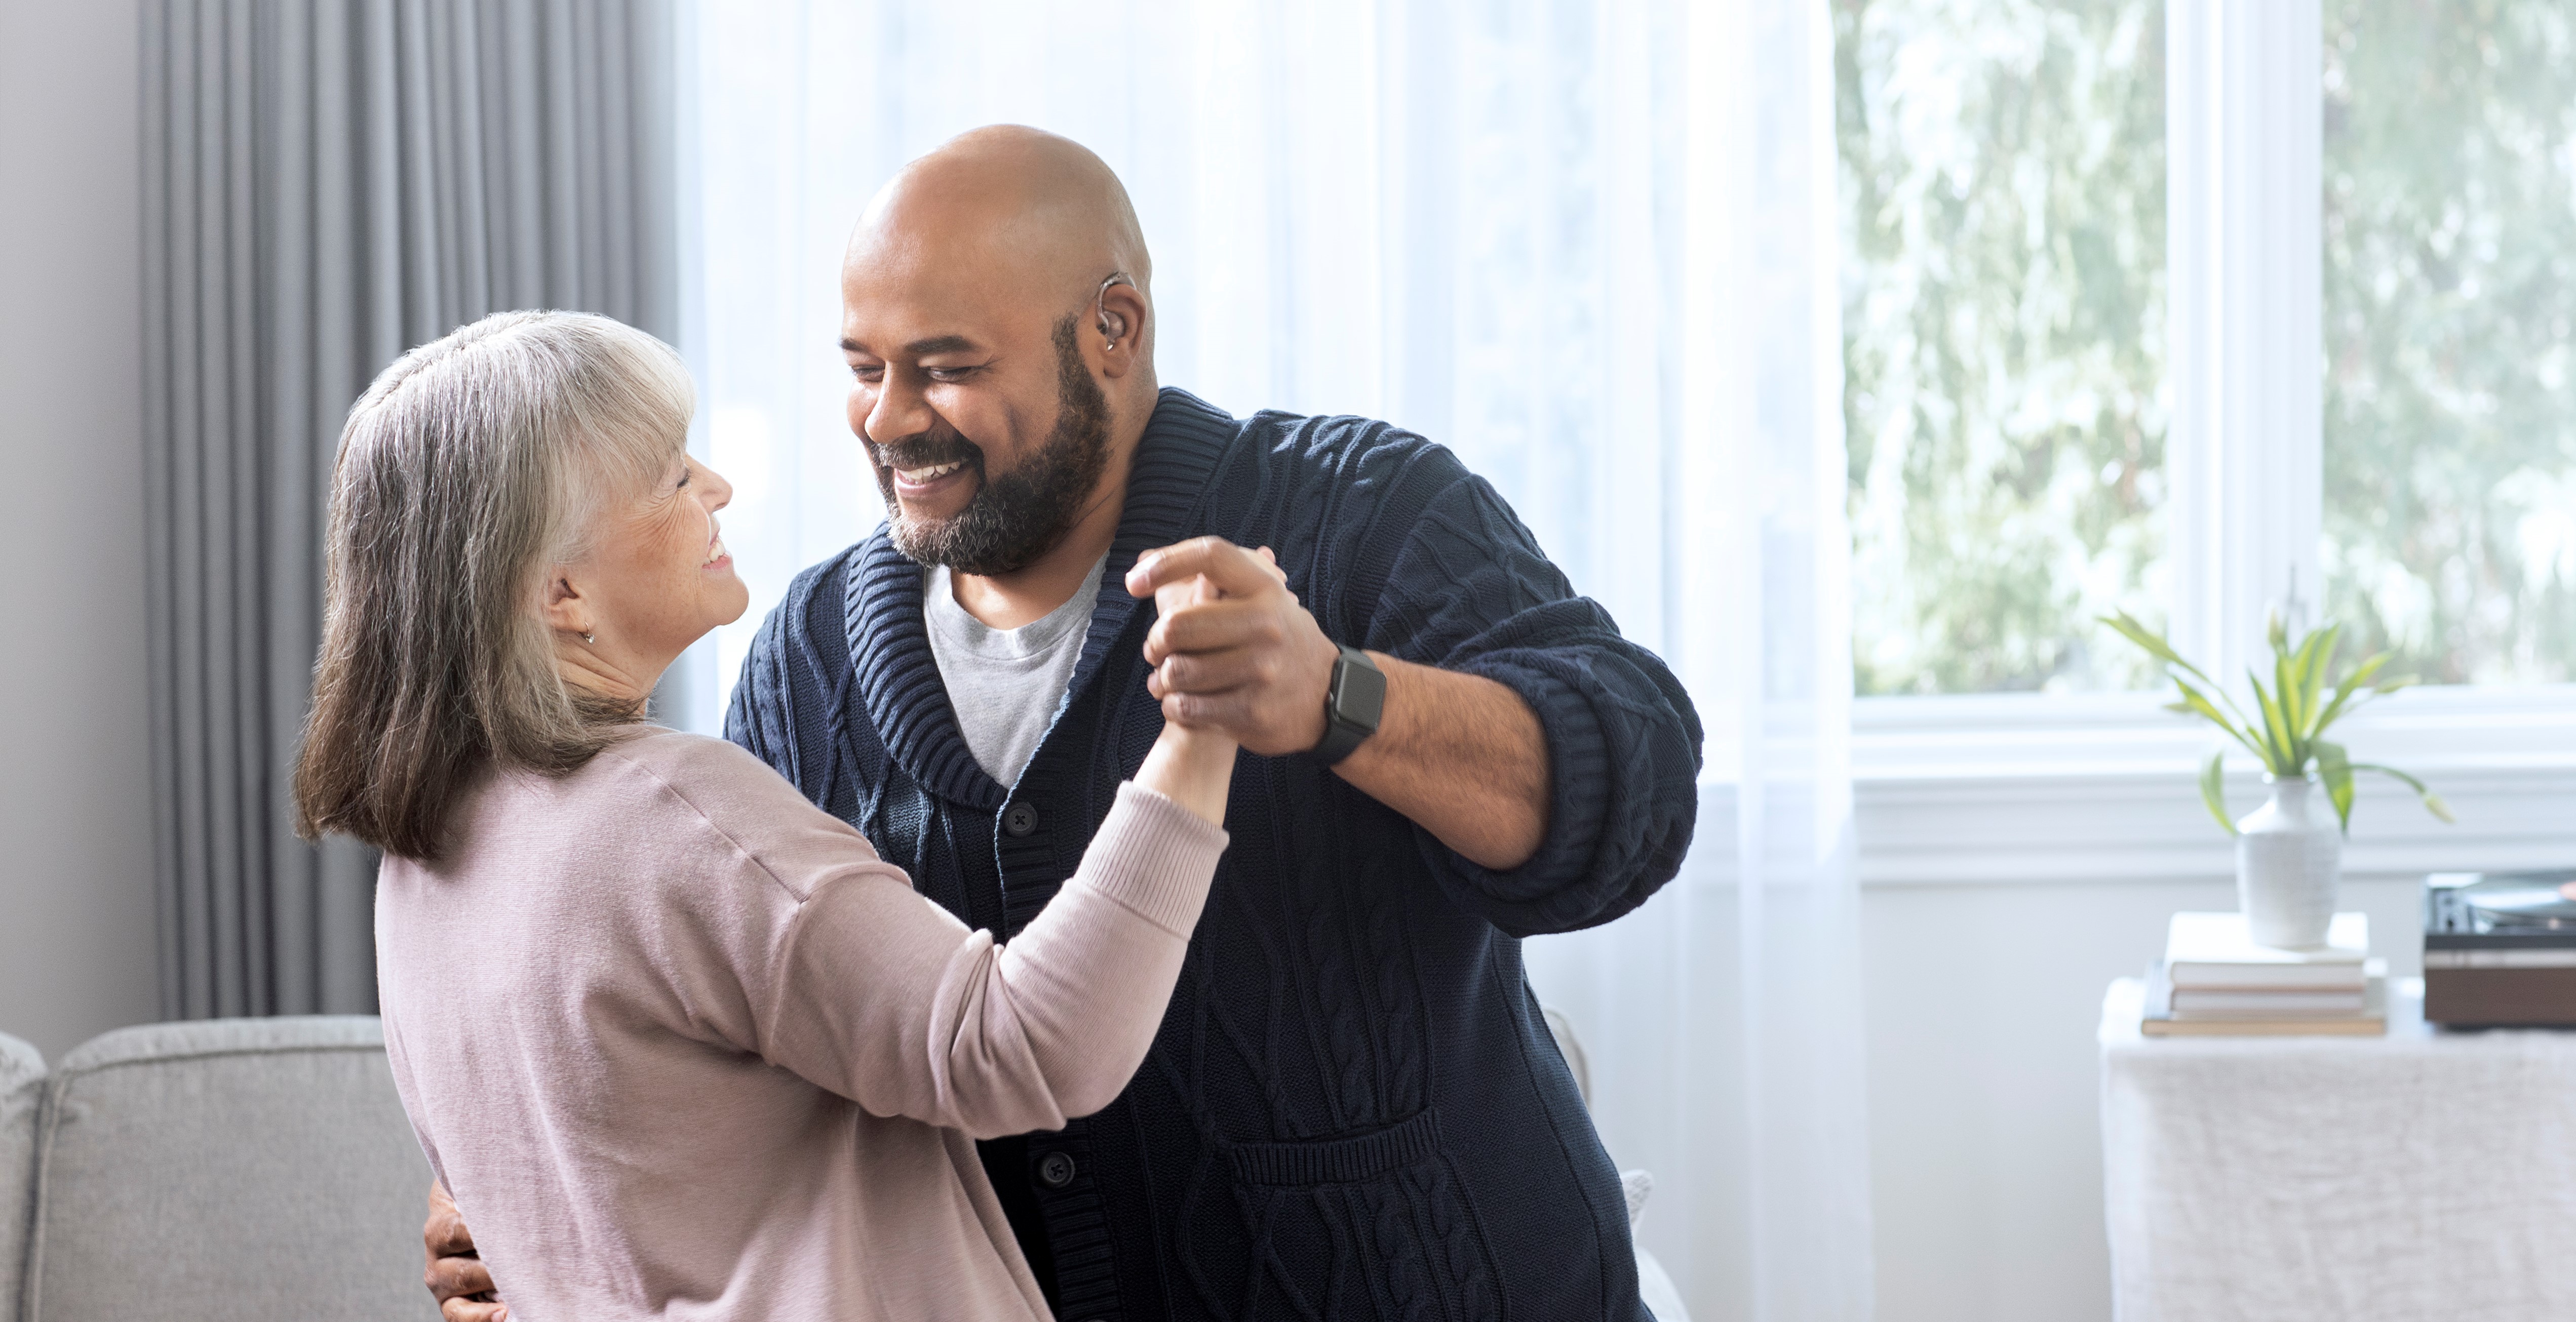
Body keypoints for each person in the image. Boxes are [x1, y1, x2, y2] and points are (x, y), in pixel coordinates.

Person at [431, 127, 1704, 1320]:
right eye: (864, 371)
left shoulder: (1360, 509)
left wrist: (1338, 696)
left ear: (1112, 328)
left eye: (945, 367)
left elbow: (1635, 787)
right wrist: (532, 1194)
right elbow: (753, 1038)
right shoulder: (810, 651)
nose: (887, 420)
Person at [297, 308, 1246, 1319]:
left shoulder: (419, 873)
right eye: (669, 476)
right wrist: (1203, 724)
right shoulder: (668, 816)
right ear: (562, 591)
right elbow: (1024, 1045)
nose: (716, 487)